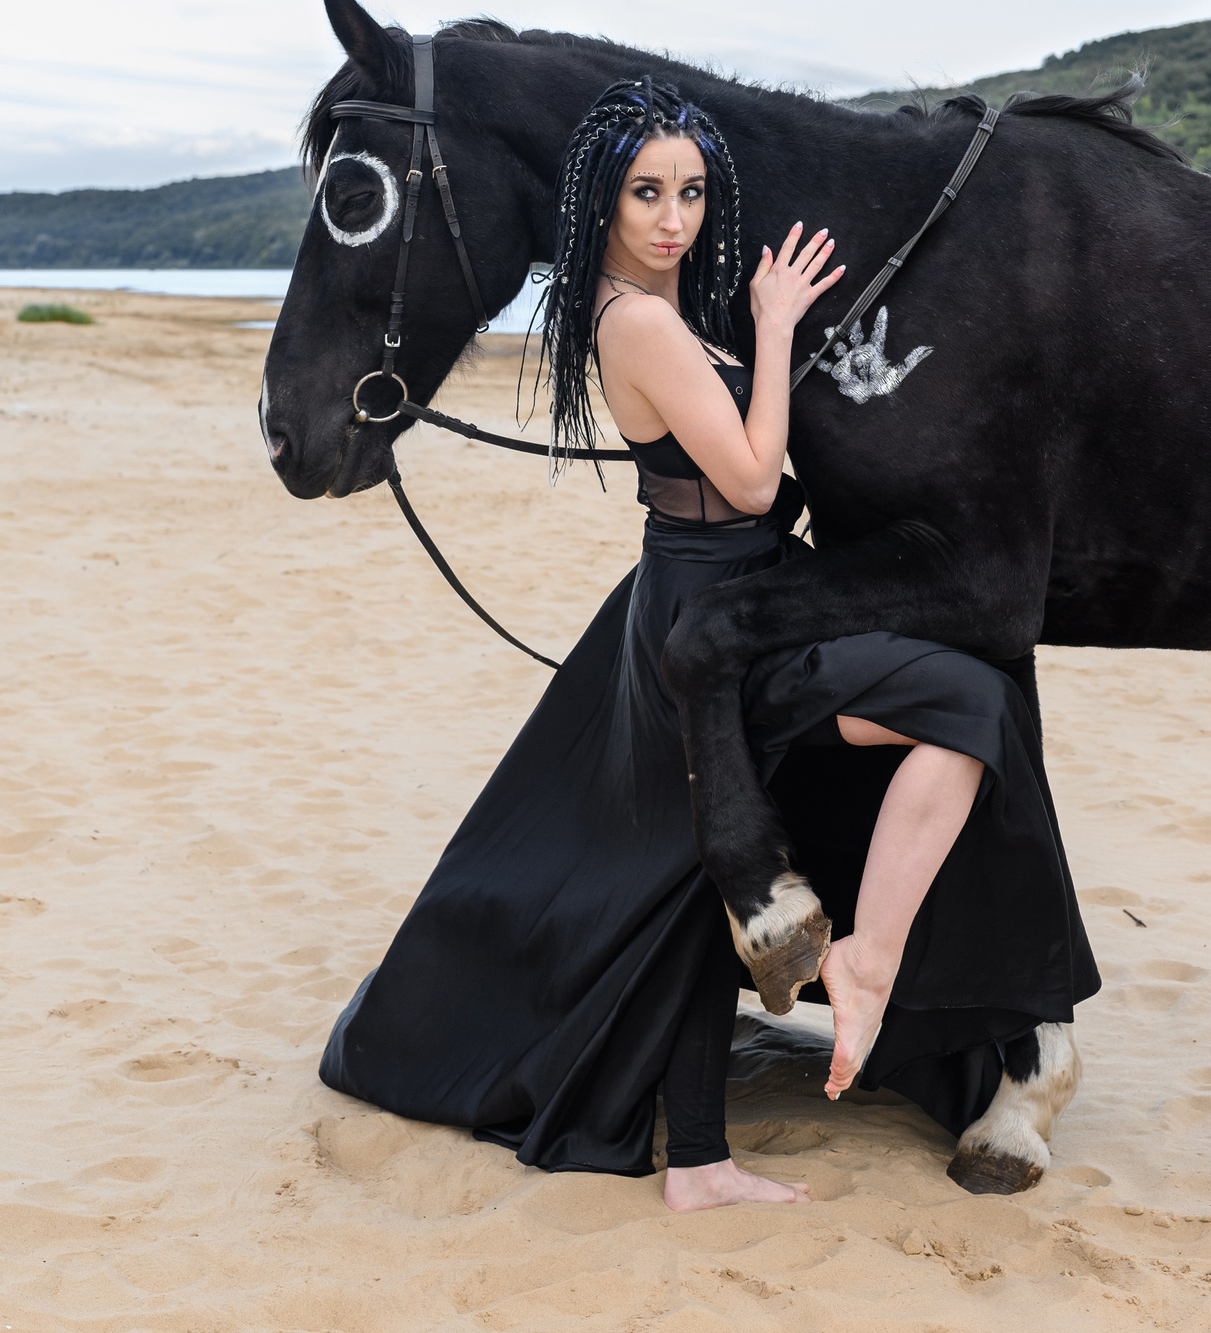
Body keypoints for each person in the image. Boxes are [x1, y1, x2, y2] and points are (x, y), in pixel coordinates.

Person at [319, 78, 1096, 1211]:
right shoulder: (635, 318)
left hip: (727, 588)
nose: (671, 216)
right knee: (963, 704)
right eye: (646, 192)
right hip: (712, 600)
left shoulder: (670, 307)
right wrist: (775, 332)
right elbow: (747, 476)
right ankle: (863, 965)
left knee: (690, 878)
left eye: (688, 190)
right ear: (604, 203)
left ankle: (701, 1158)